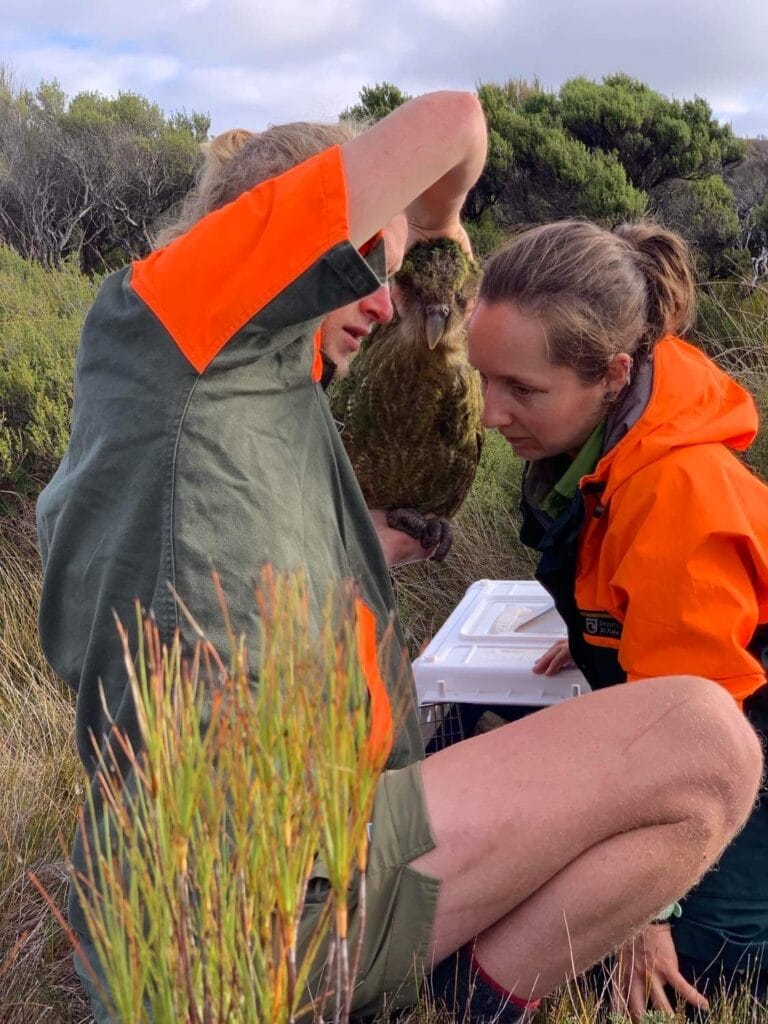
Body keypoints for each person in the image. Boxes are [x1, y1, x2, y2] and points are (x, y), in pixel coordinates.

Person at [36, 95, 762, 1024]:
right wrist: (437, 225)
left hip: (244, 894)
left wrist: (360, 552)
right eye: (361, 266)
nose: (384, 302)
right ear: (270, 256)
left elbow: (180, 582)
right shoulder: (177, 330)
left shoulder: (237, 412)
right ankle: (477, 999)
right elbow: (456, 121)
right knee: (706, 742)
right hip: (256, 911)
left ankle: (447, 986)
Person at [468, 218, 768, 1020]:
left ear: (613, 372)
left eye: (522, 390)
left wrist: (648, 911)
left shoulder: (677, 492)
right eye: (484, 380)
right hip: (710, 715)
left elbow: (703, 736)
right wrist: (599, 641)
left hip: (746, 743)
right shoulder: (604, 442)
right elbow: (638, 598)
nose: (492, 415)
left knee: (705, 964)